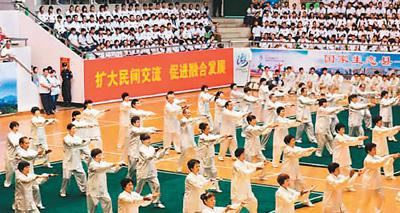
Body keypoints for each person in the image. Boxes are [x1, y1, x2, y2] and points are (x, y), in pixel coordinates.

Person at [357, 143, 400, 213]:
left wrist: (393, 158)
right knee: (365, 201)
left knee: (381, 198)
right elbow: (380, 163)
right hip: (369, 184)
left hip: (376, 182)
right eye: (374, 149)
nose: (375, 150)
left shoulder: (375, 157)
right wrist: (391, 155)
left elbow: (383, 161)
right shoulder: (368, 159)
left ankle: (378, 211)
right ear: (369, 151)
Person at [15, 136, 50, 210]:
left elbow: (37, 157)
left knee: (36, 188)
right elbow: (27, 157)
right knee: (20, 192)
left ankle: (38, 204)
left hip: (30, 173)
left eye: (28, 143)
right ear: (21, 144)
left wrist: (44, 153)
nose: (28, 145)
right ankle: (16, 205)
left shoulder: (30, 151)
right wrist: (38, 153)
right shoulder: (18, 152)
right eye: (26, 143)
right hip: (22, 175)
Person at [281, 135, 317, 206]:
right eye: (293, 140)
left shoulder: (295, 148)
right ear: (288, 142)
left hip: (296, 171)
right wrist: (308, 149)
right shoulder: (286, 149)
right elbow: (296, 153)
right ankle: (290, 204)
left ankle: (305, 200)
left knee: (303, 185)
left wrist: (311, 150)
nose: (294, 141)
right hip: (288, 172)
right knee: (290, 189)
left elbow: (302, 152)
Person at [136, 133, 168, 209]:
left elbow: (157, 157)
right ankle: (135, 201)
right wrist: (156, 151)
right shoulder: (141, 149)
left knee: (157, 186)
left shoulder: (151, 148)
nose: (148, 140)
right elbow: (147, 158)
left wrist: (163, 151)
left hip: (152, 171)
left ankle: (156, 202)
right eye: (146, 139)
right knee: (138, 189)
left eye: (149, 139)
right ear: (142, 141)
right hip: (142, 172)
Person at [332, 123, 368, 191]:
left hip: (345, 158)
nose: (343, 130)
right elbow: (346, 142)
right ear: (338, 130)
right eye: (342, 129)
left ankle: (348, 186)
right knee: (337, 174)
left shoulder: (344, 136)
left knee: (350, 172)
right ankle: (337, 186)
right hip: (338, 159)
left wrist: (359, 138)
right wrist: (358, 139)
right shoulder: (338, 137)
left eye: (343, 128)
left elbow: (351, 138)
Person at [231, 148, 268, 213]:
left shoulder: (244, 162)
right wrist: (256, 169)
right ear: (240, 155)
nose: (245, 155)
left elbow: (252, 165)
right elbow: (245, 173)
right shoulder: (236, 165)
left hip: (246, 189)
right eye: (243, 154)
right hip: (238, 191)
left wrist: (262, 163)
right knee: (235, 209)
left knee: (254, 202)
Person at [198, 122, 231, 193]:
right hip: (202, 159)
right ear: (203, 130)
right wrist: (222, 135)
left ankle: (216, 187)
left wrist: (225, 138)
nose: (209, 129)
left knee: (214, 172)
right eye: (207, 128)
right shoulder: (202, 137)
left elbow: (215, 141)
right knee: (202, 175)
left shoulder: (210, 135)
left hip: (210, 157)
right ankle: (201, 188)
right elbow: (210, 139)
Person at [87, 148, 122, 213]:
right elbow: (100, 169)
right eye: (99, 155)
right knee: (92, 208)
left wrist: (119, 166)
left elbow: (113, 170)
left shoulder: (103, 163)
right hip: (93, 190)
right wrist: (112, 164)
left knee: (108, 202)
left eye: (101, 154)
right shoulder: (92, 164)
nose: (101, 156)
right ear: (94, 157)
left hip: (103, 189)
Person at [60, 123, 89, 197]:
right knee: (66, 178)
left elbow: (82, 146)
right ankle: (63, 191)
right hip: (68, 161)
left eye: (75, 128)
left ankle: (84, 190)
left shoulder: (77, 137)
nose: (74, 130)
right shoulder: (66, 138)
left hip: (77, 161)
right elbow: (73, 144)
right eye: (73, 128)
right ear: (69, 130)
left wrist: (88, 153)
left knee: (82, 175)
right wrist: (83, 142)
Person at [126, 116, 159, 180]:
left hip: (139, 152)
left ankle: (144, 178)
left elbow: (144, 129)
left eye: (139, 122)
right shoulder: (132, 129)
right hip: (132, 152)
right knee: (132, 169)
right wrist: (151, 130)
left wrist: (153, 129)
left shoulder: (140, 128)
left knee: (142, 166)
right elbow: (140, 131)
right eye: (137, 122)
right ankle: (128, 179)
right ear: (133, 123)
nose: (139, 123)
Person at [4, 121, 22, 188]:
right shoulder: (9, 135)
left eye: (17, 126)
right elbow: (14, 144)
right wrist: (23, 142)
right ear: (12, 128)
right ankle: (7, 182)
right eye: (15, 126)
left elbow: (22, 142)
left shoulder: (20, 134)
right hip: (11, 155)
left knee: (20, 169)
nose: (17, 128)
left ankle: (20, 181)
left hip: (18, 154)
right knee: (10, 170)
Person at [118, 92, 131, 159]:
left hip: (128, 120)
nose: (128, 98)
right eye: (126, 97)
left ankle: (127, 143)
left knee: (128, 133)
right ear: (123, 98)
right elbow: (126, 108)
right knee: (122, 133)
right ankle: (119, 144)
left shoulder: (129, 103)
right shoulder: (122, 104)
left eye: (128, 97)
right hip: (123, 121)